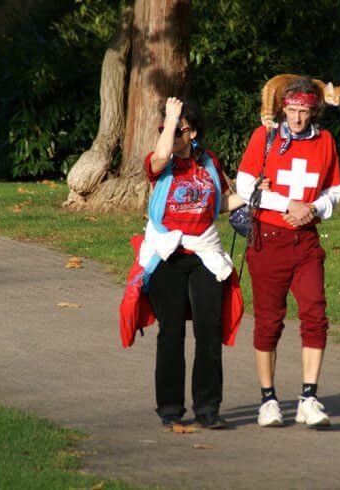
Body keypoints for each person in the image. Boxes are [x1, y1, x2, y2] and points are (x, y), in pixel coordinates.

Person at [122, 96, 249, 430]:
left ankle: (208, 408)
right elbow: (161, 154)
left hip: (204, 254)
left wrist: (254, 194)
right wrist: (171, 116)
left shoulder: (209, 163)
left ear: (192, 133)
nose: (169, 134)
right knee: (172, 332)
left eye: (176, 130)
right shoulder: (159, 162)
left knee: (209, 330)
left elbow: (219, 204)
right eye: (164, 129)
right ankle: (170, 408)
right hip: (166, 255)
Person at [235, 76, 340, 427]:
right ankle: (268, 400)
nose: (297, 118)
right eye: (292, 110)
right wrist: (290, 203)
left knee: (315, 313)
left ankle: (309, 398)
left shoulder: (325, 141)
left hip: (306, 240)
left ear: (315, 110)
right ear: (283, 107)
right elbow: (244, 186)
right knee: (269, 321)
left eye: (304, 111)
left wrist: (313, 209)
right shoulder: (263, 138)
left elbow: (335, 189)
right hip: (268, 240)